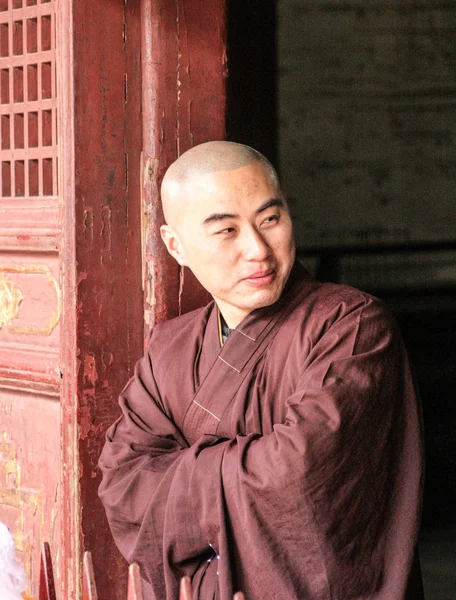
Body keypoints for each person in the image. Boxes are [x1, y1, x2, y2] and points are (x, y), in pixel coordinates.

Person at [98, 141, 424, 600]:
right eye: (226, 230)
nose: (257, 249)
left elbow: (299, 474)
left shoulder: (350, 325)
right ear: (176, 246)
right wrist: (242, 468)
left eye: (270, 219)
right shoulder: (167, 348)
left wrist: (179, 476)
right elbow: (123, 483)